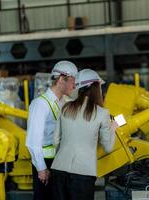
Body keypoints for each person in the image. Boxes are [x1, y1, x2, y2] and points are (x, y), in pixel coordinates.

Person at [51, 69, 118, 200]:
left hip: (58, 169)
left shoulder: (65, 107)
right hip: (83, 174)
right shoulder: (102, 113)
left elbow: (55, 140)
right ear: (96, 87)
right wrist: (113, 127)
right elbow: (108, 147)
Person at [26, 61, 78, 200]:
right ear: (62, 79)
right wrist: (41, 168)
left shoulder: (64, 103)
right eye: (73, 81)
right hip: (45, 163)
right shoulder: (40, 104)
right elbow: (32, 141)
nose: (74, 86)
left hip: (59, 164)